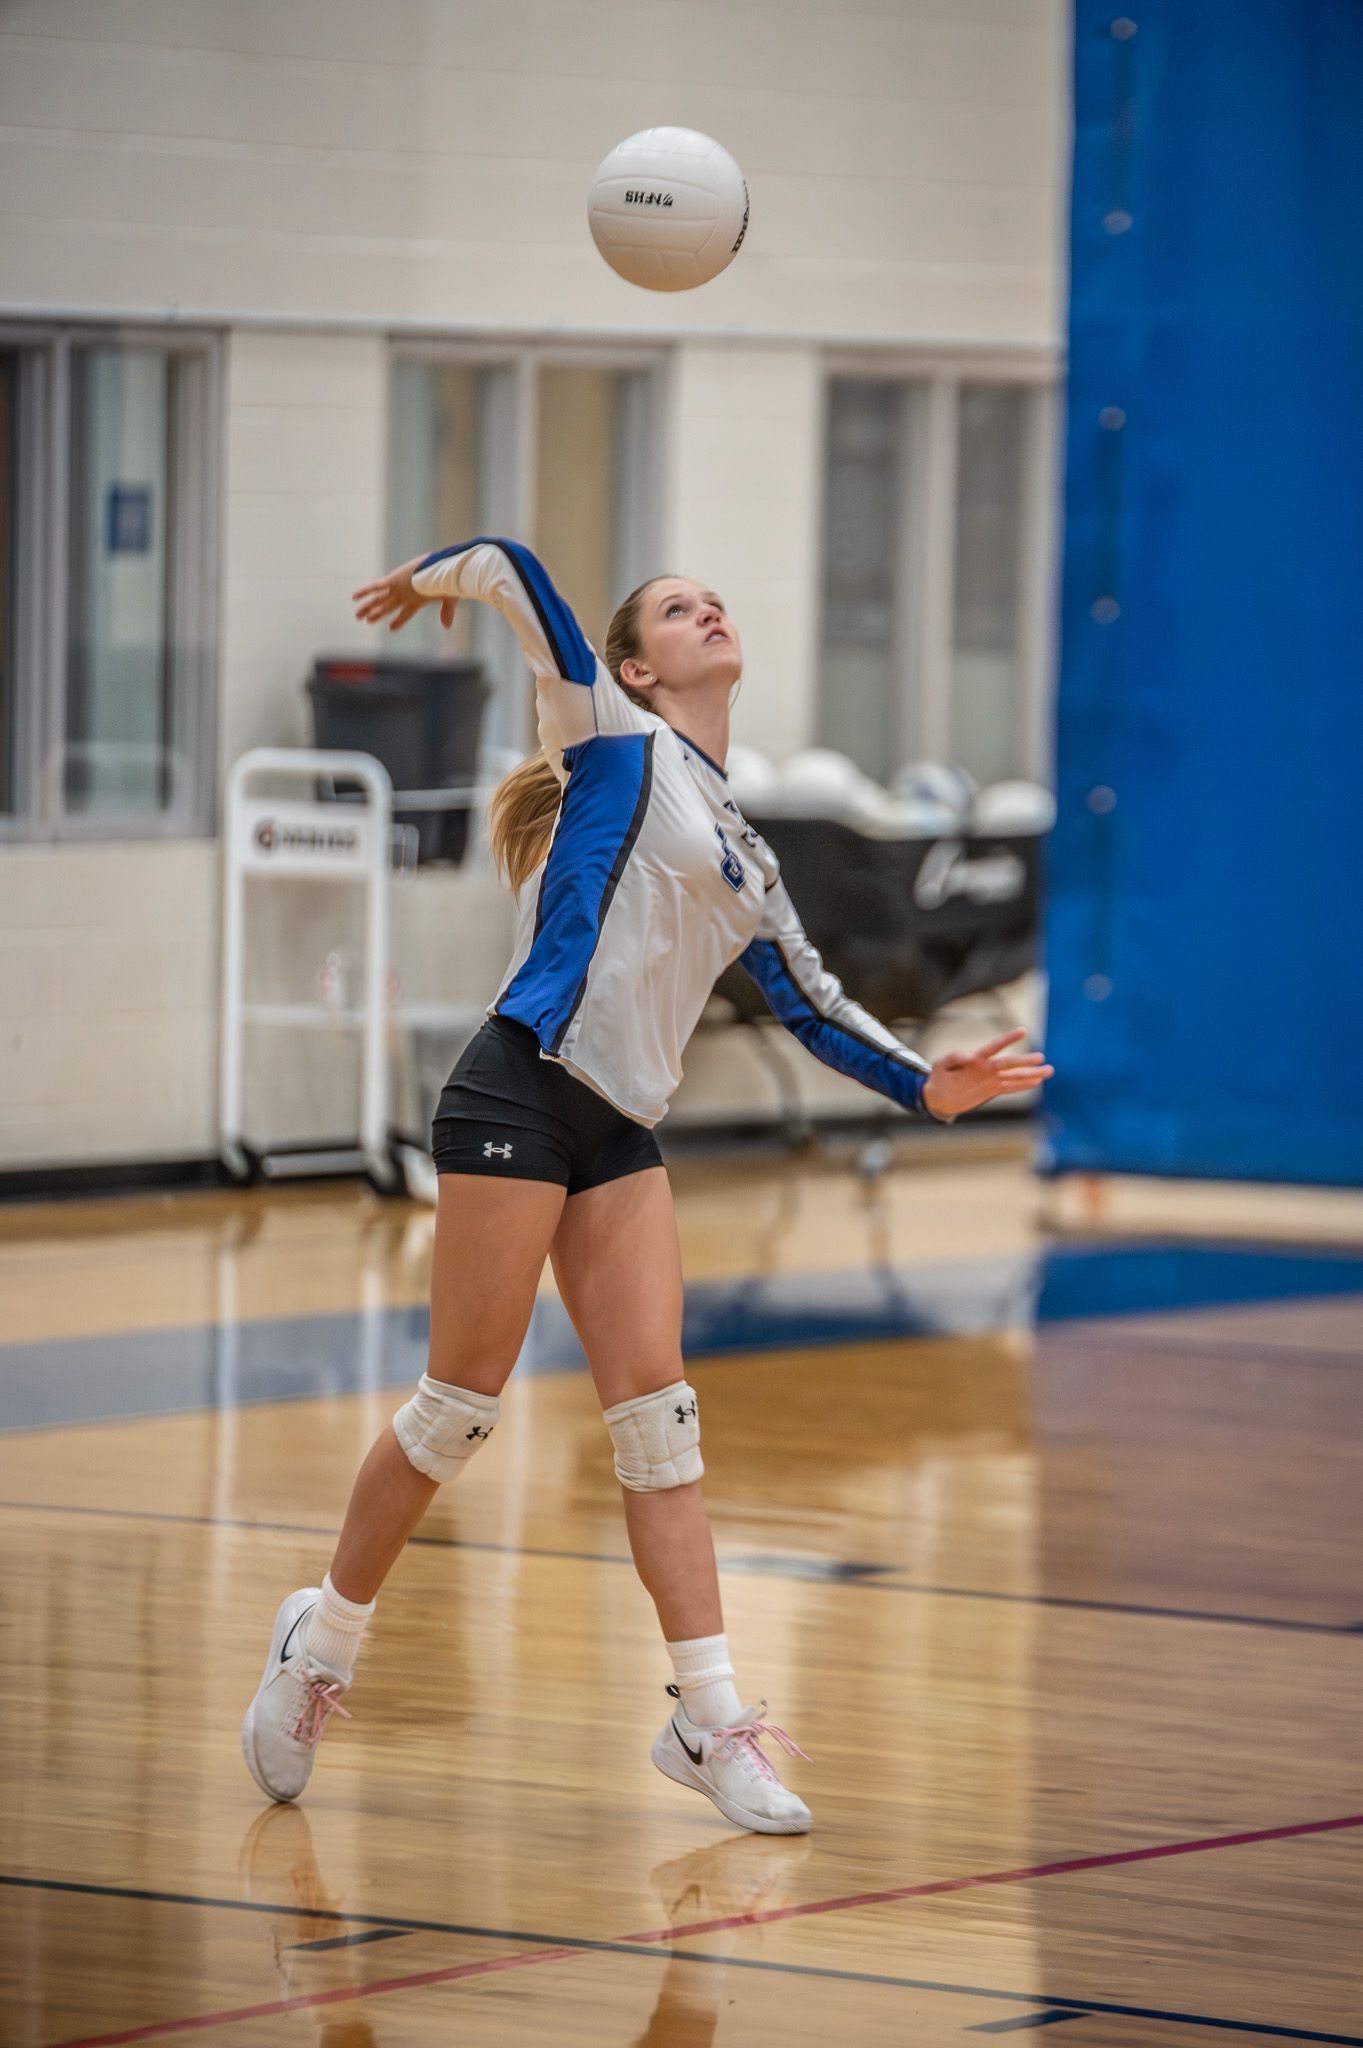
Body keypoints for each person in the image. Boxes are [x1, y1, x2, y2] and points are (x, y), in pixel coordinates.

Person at [241, 537, 1052, 1835]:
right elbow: (516, 571)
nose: (708, 608)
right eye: (679, 609)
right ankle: (319, 1648)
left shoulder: (750, 849)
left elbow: (818, 1006)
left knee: (660, 1430)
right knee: (454, 1413)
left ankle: (710, 1721)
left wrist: (929, 1088)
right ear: (635, 668)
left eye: (713, 600)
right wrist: (429, 584)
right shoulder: (613, 743)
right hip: (516, 1090)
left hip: (618, 1132)